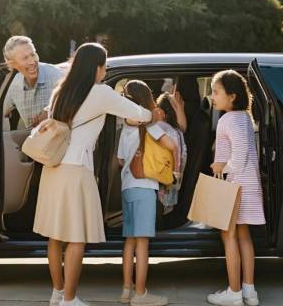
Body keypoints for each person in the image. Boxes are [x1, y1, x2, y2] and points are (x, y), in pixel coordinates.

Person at [32, 43, 161, 306]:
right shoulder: (101, 93)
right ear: (98, 67)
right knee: (77, 239)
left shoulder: (61, 91)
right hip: (77, 170)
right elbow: (138, 113)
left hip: (53, 168)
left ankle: (58, 293)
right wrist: (152, 113)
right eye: (105, 65)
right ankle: (70, 299)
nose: (106, 70)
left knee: (55, 237)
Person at [207, 70, 265, 306]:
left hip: (235, 184)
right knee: (243, 235)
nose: (212, 97)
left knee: (228, 234)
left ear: (232, 96)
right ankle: (249, 291)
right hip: (249, 183)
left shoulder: (228, 120)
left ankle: (233, 292)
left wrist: (222, 165)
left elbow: (238, 156)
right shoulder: (244, 118)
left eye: (216, 92)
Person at [117, 80, 176, 306]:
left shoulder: (125, 129)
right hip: (145, 187)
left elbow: (120, 159)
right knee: (143, 244)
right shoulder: (150, 126)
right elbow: (171, 145)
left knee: (129, 242)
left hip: (127, 187)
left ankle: (126, 290)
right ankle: (140, 294)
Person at [3, 36, 63, 128]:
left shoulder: (56, 76)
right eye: (25, 58)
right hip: (33, 138)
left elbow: (76, 104)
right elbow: (0, 112)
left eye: (33, 54)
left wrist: (50, 110)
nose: (32, 61)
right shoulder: (13, 85)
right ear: (13, 64)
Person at [154, 91, 187, 214]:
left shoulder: (159, 128)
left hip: (159, 187)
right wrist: (180, 108)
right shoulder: (177, 132)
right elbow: (183, 127)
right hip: (171, 189)